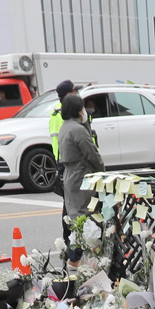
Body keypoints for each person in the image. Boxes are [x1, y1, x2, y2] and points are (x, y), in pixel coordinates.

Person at [57, 95, 103, 246]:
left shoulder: (65, 127)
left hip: (70, 176)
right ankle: (83, 253)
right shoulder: (77, 130)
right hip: (81, 176)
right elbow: (92, 153)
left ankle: (75, 253)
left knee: (75, 215)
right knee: (87, 216)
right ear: (78, 110)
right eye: (83, 108)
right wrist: (101, 171)